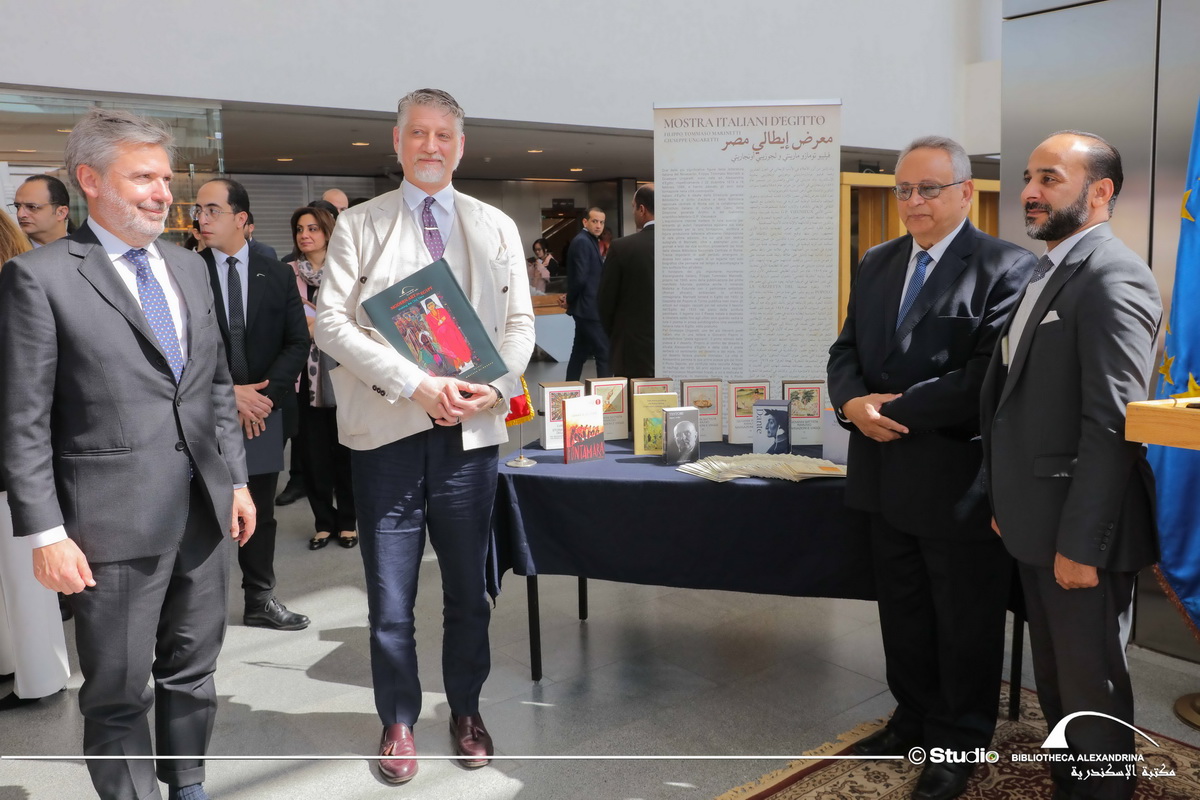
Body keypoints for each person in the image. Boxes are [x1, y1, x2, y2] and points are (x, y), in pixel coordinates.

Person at [0, 107, 255, 800]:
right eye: (142, 177)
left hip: (202, 512)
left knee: (193, 672)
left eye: (165, 178)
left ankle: (188, 784)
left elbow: (215, 385)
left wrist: (235, 480)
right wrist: (46, 534)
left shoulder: (189, 268)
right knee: (116, 690)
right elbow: (23, 421)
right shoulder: (41, 278)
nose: (162, 193)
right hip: (108, 526)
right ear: (90, 180)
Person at [315, 87, 534, 785]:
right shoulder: (360, 225)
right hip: (387, 431)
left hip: (472, 434)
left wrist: (495, 387)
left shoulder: (495, 225)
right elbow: (331, 324)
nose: (430, 146)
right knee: (389, 597)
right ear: (397, 141)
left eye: (443, 135)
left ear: (460, 146)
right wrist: (415, 384)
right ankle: (399, 720)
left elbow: (519, 326)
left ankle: (466, 709)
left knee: (469, 591)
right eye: (418, 133)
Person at [827, 135, 1036, 800]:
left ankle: (958, 740)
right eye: (904, 189)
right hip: (882, 477)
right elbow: (846, 350)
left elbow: (985, 377)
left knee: (964, 623)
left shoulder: (1008, 267)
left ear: (966, 192)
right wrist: (851, 404)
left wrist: (889, 408)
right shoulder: (877, 261)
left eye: (929, 188)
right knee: (904, 615)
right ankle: (912, 718)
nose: (913, 201)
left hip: (955, 485)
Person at [981, 131, 1161, 800]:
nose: (1030, 192)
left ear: (1100, 192)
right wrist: (1005, 501)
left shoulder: (1115, 276)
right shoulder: (1047, 268)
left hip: (1080, 534)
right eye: (1029, 177)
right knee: (1059, 687)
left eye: (1050, 179)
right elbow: (1014, 401)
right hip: (1035, 521)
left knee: (1091, 695)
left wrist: (1082, 544)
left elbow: (1113, 424)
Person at [195, 178, 310, 630]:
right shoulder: (186, 271)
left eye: (213, 210)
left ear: (241, 218)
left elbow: (297, 342)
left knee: (257, 508)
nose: (202, 219)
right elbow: (180, 350)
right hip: (203, 412)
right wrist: (228, 394)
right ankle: (197, 608)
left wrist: (260, 399)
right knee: (202, 510)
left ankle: (260, 599)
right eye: (199, 210)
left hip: (262, 414)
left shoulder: (276, 272)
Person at [0, 208, 70, 713]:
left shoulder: (16, 287)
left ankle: (42, 679)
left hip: (15, 455)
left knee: (26, 579)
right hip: (16, 450)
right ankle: (12, 661)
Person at [289, 206, 358, 551]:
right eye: (300, 229)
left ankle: (348, 521)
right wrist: (316, 327)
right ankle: (323, 522)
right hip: (303, 378)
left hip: (343, 374)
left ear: (329, 232)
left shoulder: (346, 271)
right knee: (312, 455)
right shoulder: (287, 274)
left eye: (313, 228)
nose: (305, 235)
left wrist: (319, 327)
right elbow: (286, 324)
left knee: (345, 452)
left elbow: (353, 320)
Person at [598, 183, 656, 377]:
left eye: (633, 207)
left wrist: (618, 335)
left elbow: (606, 301)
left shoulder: (622, 247)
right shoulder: (683, 247)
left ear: (642, 209)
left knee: (634, 394)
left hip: (632, 347)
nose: (633, 212)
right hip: (677, 346)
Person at [562, 206, 611, 381]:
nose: (598, 225)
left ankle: (569, 388)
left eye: (601, 222)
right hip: (588, 308)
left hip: (585, 308)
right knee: (604, 352)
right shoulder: (583, 241)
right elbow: (580, 278)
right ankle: (606, 395)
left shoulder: (588, 240)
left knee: (579, 353)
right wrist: (570, 299)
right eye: (594, 221)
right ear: (585, 222)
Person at [11, 174, 71, 247]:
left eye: (32, 207)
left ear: (61, 212)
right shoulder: (8, 252)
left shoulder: (82, 250)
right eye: (17, 206)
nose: (20, 214)